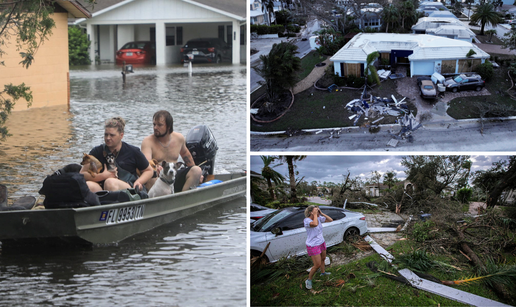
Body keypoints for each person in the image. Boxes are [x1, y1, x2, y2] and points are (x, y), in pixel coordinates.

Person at [81, 117, 153, 193]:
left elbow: (149, 170)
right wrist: (102, 176)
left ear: (121, 135)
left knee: (110, 183)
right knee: (88, 185)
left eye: (112, 135)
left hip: (127, 187)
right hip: (103, 187)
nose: (108, 138)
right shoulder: (96, 151)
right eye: (106, 135)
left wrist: (139, 182)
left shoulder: (133, 151)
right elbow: (82, 173)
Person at [141, 110, 202, 192]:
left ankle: (183, 199)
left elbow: (185, 155)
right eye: (154, 124)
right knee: (151, 178)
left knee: (196, 170)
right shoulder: (147, 141)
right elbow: (146, 163)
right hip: (159, 180)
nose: (155, 127)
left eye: (159, 125)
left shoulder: (179, 138)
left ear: (169, 126)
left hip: (174, 177)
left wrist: (198, 176)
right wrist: (156, 168)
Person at [304, 205, 333, 290]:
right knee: (317, 264)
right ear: (310, 212)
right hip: (313, 245)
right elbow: (315, 224)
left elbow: (330, 220)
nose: (317, 212)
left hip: (321, 242)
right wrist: (316, 215)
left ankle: (323, 272)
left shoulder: (319, 218)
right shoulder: (307, 220)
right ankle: (309, 280)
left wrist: (321, 213)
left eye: (318, 210)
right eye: (316, 210)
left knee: (323, 258)